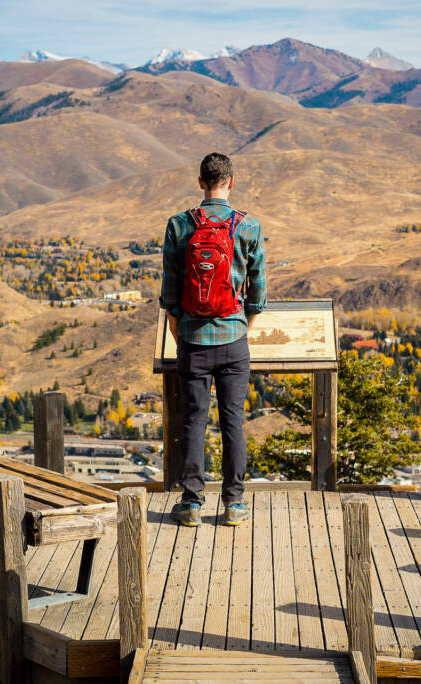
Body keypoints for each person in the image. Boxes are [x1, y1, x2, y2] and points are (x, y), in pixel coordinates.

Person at [160, 152, 266, 526]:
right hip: (234, 338)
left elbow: (170, 290)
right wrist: (247, 326)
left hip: (192, 338)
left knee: (193, 420)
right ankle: (234, 504)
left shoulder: (179, 225)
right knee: (233, 421)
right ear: (231, 182)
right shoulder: (248, 227)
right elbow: (259, 291)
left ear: (200, 181)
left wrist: (177, 325)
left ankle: (191, 503)